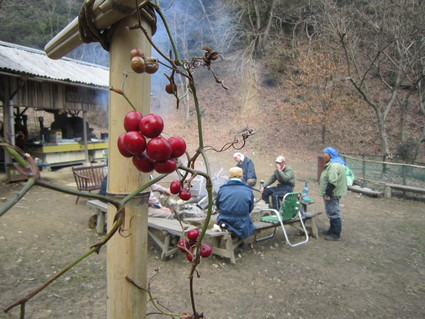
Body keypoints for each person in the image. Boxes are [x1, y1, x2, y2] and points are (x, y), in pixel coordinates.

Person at [99, 176, 173, 219]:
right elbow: (148, 193)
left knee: (156, 194)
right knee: (168, 214)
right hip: (131, 208)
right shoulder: (136, 176)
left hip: (106, 199)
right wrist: (160, 207)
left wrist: (164, 190)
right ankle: (173, 238)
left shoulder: (116, 174)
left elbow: (152, 185)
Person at [216, 167, 256, 239]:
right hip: (242, 222)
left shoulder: (222, 189)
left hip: (225, 220)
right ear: (241, 177)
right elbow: (250, 208)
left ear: (229, 177)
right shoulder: (248, 190)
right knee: (248, 222)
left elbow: (218, 206)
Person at [319, 147, 347, 241]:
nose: (323, 156)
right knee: (331, 211)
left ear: (329, 155)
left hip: (333, 193)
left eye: (324, 154)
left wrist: (328, 194)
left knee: (334, 212)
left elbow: (332, 181)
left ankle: (336, 234)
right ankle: (331, 230)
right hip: (334, 193)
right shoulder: (336, 163)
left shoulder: (334, 166)